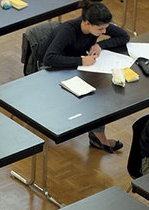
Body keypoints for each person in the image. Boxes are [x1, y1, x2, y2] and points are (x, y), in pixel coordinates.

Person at [37, 0, 129, 153]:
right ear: (86, 23)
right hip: (52, 70)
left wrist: (101, 45)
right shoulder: (68, 30)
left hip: (75, 67)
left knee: (100, 92)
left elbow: (123, 36)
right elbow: (49, 58)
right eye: (100, 29)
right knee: (92, 94)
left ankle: (97, 134)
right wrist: (81, 60)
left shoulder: (98, 25)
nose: (104, 32)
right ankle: (96, 134)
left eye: (105, 28)